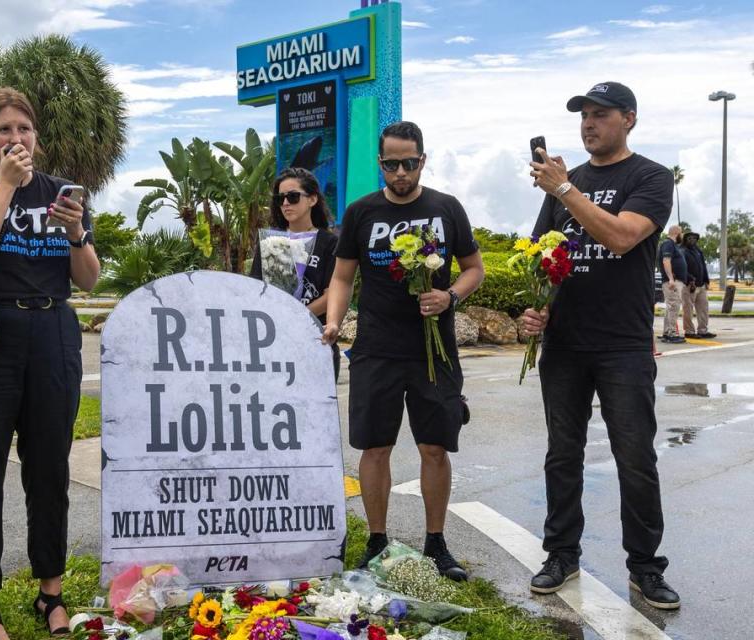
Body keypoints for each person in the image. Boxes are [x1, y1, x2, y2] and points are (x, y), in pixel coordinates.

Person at [0, 87, 101, 639]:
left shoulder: (60, 194)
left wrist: (77, 233)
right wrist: (5, 188)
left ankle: (50, 593)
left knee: (51, 468)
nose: (15, 138)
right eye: (3, 129)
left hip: (54, 332)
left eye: (24, 129)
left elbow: (88, 279)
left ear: (37, 137)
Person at [522, 81, 680, 609]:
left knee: (634, 458)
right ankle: (561, 554)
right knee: (561, 456)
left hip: (622, 345)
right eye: (584, 115)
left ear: (629, 119)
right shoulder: (566, 184)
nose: (589, 124)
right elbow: (544, 256)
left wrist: (565, 190)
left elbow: (621, 236)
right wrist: (533, 307)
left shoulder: (651, 177)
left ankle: (645, 568)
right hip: (565, 344)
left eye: (601, 114)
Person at [322, 121, 484, 580]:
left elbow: (474, 268)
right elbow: (342, 277)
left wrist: (450, 295)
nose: (400, 173)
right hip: (376, 348)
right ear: (380, 163)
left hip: (435, 352)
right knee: (375, 447)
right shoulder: (361, 212)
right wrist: (334, 320)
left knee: (435, 447)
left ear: (422, 160)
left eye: (408, 163)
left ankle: (436, 543)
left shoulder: (446, 208)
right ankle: (377, 541)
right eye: (391, 164)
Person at [251, 167, 340, 379]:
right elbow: (254, 291)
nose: (285, 204)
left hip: (316, 339)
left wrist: (296, 315)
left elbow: (333, 294)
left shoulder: (330, 242)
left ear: (312, 199)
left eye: (292, 196)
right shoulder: (268, 242)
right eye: (280, 198)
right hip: (273, 342)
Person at [681, 231, 715, 339]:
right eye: (690, 238)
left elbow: (703, 266)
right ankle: (689, 331)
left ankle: (703, 330)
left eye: (695, 238)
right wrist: (689, 279)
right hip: (689, 285)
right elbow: (682, 269)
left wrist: (706, 280)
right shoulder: (682, 251)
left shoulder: (698, 251)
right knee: (688, 309)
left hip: (701, 285)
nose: (693, 240)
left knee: (704, 308)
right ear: (686, 240)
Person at [659, 225, 687, 343]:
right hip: (672, 281)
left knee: (671, 307)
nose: (682, 236)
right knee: (674, 306)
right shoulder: (668, 243)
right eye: (681, 233)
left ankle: (667, 332)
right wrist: (671, 278)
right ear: (676, 232)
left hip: (676, 281)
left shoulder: (672, 245)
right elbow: (666, 260)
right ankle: (671, 333)